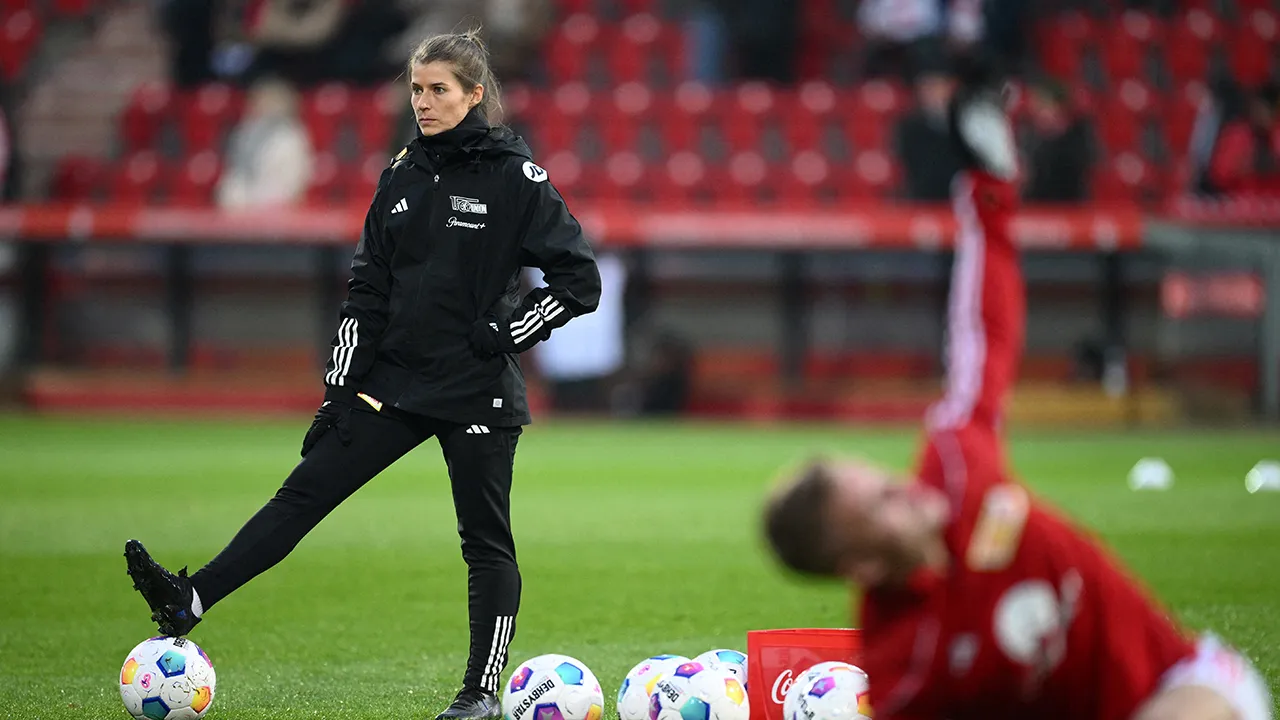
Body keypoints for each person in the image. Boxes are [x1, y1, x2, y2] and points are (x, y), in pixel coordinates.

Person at [761, 56, 1272, 720]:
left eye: (885, 477)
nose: (908, 488)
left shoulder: (953, 467)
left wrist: (989, 189)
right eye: (884, 502)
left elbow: (983, 334)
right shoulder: (908, 674)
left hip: (1182, 683)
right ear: (860, 566)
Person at [124, 29, 601, 720]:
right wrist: (339, 390)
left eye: (439, 89)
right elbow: (366, 292)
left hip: (476, 389)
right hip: (396, 382)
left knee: (485, 543)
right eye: (416, 89)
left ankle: (480, 694)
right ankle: (188, 600)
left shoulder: (514, 178)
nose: (424, 102)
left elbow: (578, 280)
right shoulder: (402, 176)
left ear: (475, 94)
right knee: (302, 495)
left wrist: (507, 333)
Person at [215, 78, 314, 209]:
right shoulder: (245, 131)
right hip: (244, 202)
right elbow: (236, 171)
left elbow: (294, 182)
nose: (262, 105)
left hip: (280, 203)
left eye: (269, 101)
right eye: (258, 100)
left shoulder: (293, 137)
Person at [1023, 78, 1093, 203]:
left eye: (1043, 105)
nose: (1038, 111)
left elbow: (1077, 171)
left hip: (1069, 207)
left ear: (1059, 108)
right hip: (1036, 208)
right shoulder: (1028, 137)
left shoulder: (1078, 136)